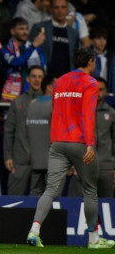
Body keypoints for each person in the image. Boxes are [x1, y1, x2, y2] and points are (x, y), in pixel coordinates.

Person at [27, 48, 115, 249]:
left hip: (57, 143)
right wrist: (91, 144)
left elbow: (56, 112)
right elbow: (88, 115)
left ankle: (34, 230)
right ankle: (93, 239)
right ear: (91, 61)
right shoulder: (90, 82)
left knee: (50, 189)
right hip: (80, 142)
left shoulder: (60, 81)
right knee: (90, 190)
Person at [69, 77, 115, 198]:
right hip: (83, 165)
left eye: (101, 89)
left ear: (105, 92)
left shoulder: (111, 113)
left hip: (106, 168)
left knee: (106, 205)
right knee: (78, 205)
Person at [3, 66, 46, 195]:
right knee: (13, 200)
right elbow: (9, 131)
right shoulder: (17, 102)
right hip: (20, 160)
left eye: (40, 77)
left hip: (41, 162)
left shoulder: (49, 104)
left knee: (39, 203)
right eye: (33, 76)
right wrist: (8, 156)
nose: (37, 80)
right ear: (27, 79)